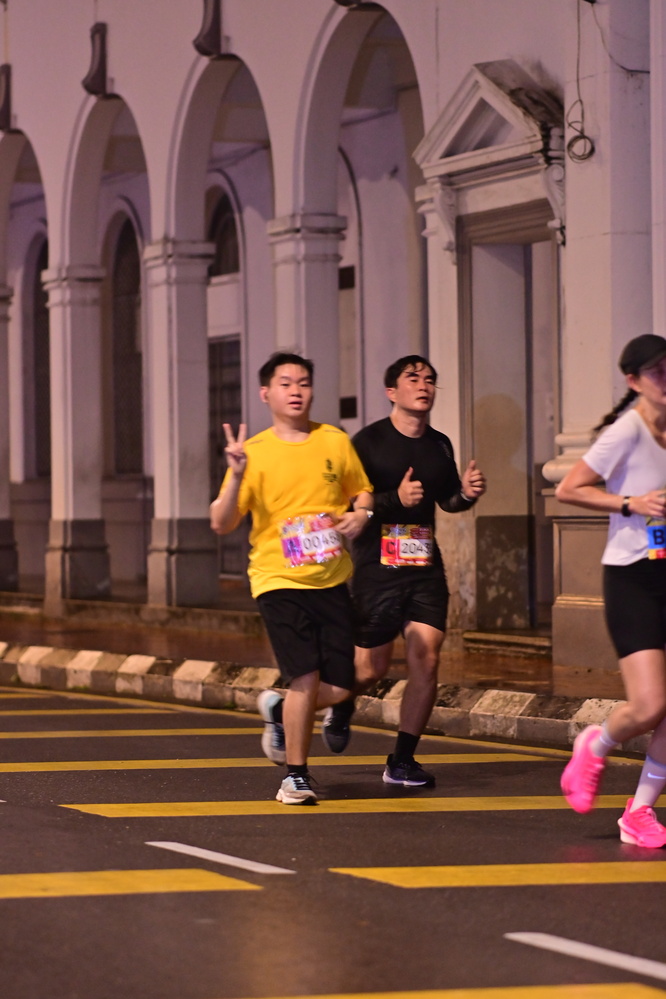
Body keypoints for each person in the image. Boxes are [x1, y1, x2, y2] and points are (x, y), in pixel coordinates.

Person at [210, 352, 373, 805]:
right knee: (306, 675)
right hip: (278, 579)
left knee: (345, 682)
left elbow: (361, 490)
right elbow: (221, 522)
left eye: (303, 382)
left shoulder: (334, 441)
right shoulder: (254, 452)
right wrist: (235, 476)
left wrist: (361, 514)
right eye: (285, 383)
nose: (296, 391)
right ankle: (295, 777)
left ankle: (279, 709)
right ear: (266, 394)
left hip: (332, 578)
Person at [322, 355, 486, 786]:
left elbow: (447, 500)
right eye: (413, 378)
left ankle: (402, 760)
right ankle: (341, 703)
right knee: (370, 669)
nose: (424, 385)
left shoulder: (440, 445)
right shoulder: (368, 443)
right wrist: (394, 499)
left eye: (430, 379)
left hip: (423, 566)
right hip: (376, 567)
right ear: (391, 391)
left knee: (427, 658)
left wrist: (467, 494)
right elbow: (345, 506)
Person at [556, 333, 666, 848]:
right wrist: (631, 503)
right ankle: (595, 745)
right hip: (633, 577)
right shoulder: (626, 431)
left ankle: (639, 811)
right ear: (634, 381)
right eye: (657, 372)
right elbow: (569, 488)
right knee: (649, 706)